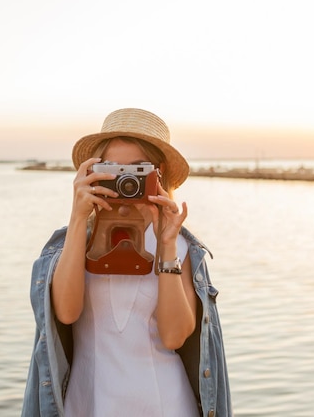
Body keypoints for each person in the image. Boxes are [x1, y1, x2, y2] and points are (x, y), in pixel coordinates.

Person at [21, 108, 232, 417]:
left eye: (138, 170)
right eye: (115, 169)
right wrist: (78, 216)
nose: (127, 181)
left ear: (158, 174)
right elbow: (66, 312)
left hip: (165, 405)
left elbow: (174, 336)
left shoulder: (180, 244)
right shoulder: (71, 243)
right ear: (95, 170)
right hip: (87, 405)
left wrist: (167, 243)